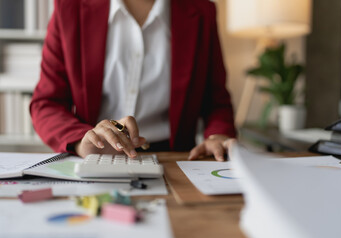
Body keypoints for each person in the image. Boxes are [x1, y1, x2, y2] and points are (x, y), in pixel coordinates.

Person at [30, 0, 236, 161]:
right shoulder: (69, 7)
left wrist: (217, 136)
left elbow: (216, 102)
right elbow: (46, 103)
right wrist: (81, 140)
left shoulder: (202, 11)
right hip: (96, 156)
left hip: (174, 160)